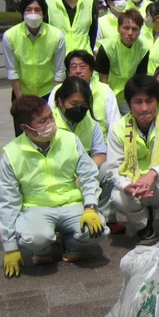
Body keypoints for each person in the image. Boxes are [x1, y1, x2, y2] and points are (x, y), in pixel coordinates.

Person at [0, 95, 105, 276]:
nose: (51, 123)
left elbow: (88, 174)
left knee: (98, 230)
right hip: (36, 207)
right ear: (25, 128)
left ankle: (71, 244)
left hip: (71, 204)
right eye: (42, 121)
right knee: (36, 239)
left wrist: (91, 207)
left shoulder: (69, 140)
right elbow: (7, 201)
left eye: (51, 117)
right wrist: (9, 247)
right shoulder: (12, 154)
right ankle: (42, 250)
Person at [104, 75, 159, 246]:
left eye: (149, 101)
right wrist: (127, 185)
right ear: (129, 104)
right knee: (117, 196)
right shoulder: (118, 128)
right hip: (135, 186)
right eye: (138, 102)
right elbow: (114, 166)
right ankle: (142, 226)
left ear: (158, 101)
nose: (144, 108)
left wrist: (154, 173)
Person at [52, 76, 112, 219]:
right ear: (61, 101)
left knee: (110, 169)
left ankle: (104, 216)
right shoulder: (50, 123)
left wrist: (86, 171)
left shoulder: (91, 122)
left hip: (84, 174)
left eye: (84, 104)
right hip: (58, 176)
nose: (79, 108)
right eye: (74, 103)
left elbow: (100, 153)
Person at [2, 0, 67, 105]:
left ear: (44, 13)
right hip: (22, 92)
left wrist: (53, 99)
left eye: (38, 10)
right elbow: (12, 70)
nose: (33, 14)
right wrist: (20, 99)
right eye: (28, 10)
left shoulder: (57, 35)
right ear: (22, 13)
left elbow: (60, 71)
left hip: (48, 92)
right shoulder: (10, 35)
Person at [48, 50, 121, 137]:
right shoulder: (58, 90)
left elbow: (114, 125)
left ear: (91, 71)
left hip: (98, 144)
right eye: (74, 67)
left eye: (82, 66)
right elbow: (50, 118)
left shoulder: (105, 91)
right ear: (68, 72)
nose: (78, 71)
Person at [95, 9, 151, 104]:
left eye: (135, 29)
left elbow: (140, 78)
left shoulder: (143, 48)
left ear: (139, 31)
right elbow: (102, 79)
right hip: (107, 93)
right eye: (126, 28)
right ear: (118, 28)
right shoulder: (106, 47)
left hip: (130, 94)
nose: (130, 33)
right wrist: (108, 101)